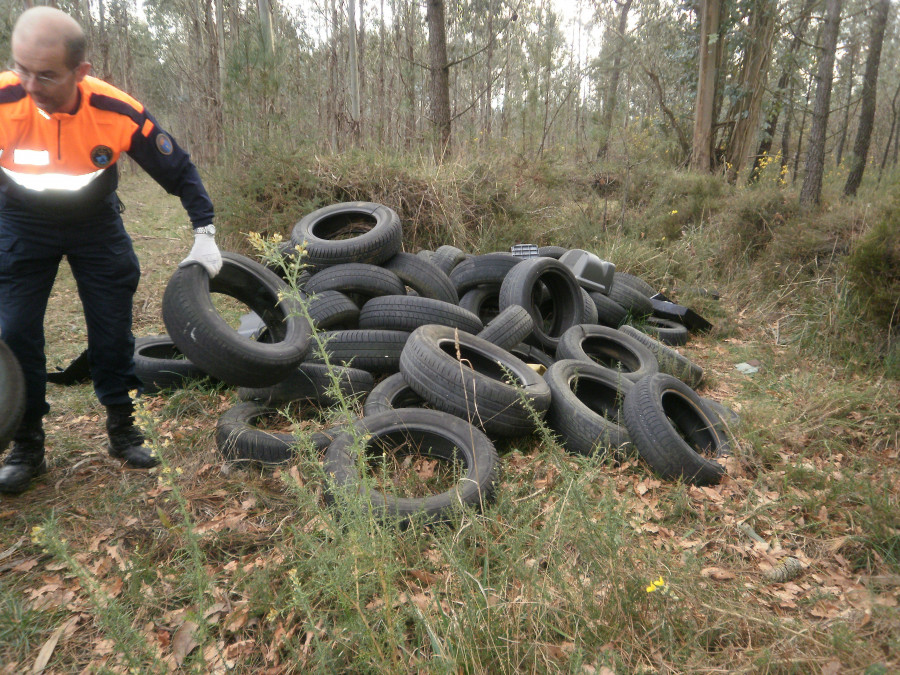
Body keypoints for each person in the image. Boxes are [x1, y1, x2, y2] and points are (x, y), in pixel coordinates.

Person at [0, 7, 223, 495]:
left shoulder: (116, 110)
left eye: (47, 74)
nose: (31, 85)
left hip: (95, 224)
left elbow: (177, 168)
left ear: (81, 73)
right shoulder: (3, 100)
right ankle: (26, 445)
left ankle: (123, 428)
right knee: (14, 331)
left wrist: (204, 230)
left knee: (111, 327)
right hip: (21, 222)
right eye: (22, 69)